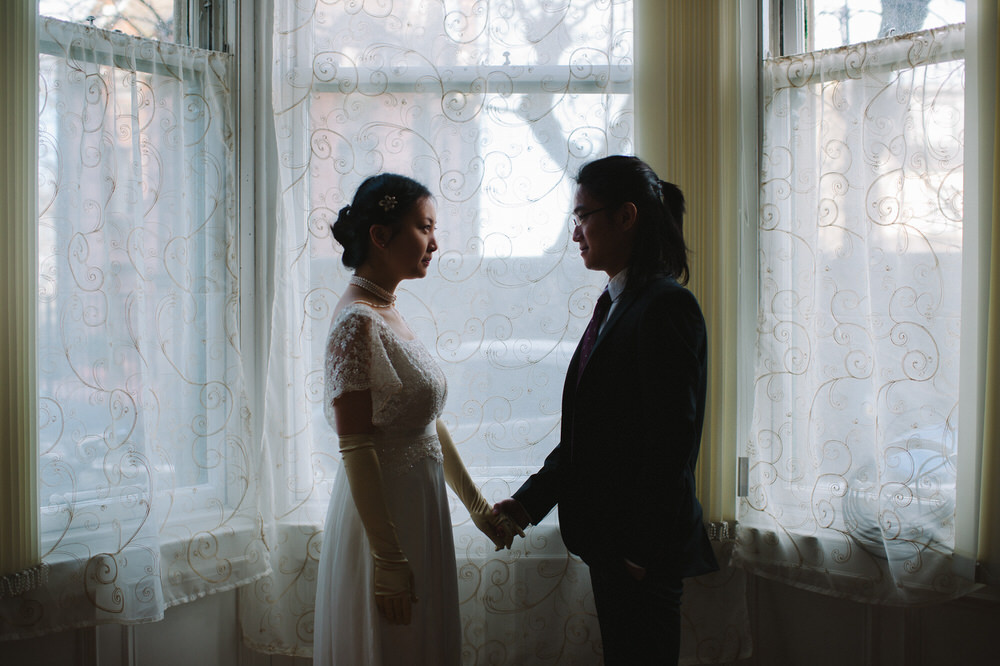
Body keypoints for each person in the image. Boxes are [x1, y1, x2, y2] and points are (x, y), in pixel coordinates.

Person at [493, 155, 719, 665]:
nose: (575, 233)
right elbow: (592, 435)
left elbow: (671, 442)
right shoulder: (617, 302)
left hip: (639, 550)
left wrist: (638, 553)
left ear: (626, 216)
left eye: (583, 216)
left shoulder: (664, 305)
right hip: (614, 545)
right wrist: (528, 503)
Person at [313, 173, 522, 666]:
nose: (435, 242)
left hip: (419, 511)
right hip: (385, 519)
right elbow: (355, 445)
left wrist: (476, 507)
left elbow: (424, 422)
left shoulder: (388, 313)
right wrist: (386, 557)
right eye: (424, 227)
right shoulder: (356, 322)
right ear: (380, 236)